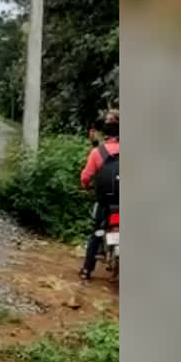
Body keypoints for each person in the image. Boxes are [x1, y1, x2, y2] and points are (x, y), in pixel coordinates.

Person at [79, 109, 119, 280]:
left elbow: (86, 177)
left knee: (96, 233)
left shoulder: (98, 152)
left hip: (105, 202)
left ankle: (87, 269)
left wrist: (86, 186)